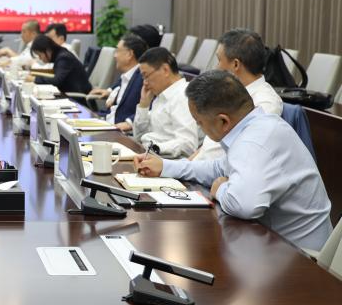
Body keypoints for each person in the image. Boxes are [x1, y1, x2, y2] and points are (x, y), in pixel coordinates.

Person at [134, 71, 331, 251]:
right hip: (273, 242)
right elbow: (218, 168)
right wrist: (165, 166)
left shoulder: (255, 141)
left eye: (199, 122)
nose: (200, 128)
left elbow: (244, 205)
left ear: (223, 121)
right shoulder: (256, 126)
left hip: (301, 257)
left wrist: (220, 189)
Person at [192, 28, 283, 160]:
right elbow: (208, 148)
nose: (216, 67)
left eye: (219, 60)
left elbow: (244, 155)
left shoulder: (265, 104)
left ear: (235, 64)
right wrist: (186, 163)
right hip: (201, 166)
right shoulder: (228, 91)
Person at [132, 47, 200, 158]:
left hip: (168, 160)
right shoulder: (161, 96)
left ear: (165, 70)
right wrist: (144, 105)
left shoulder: (183, 96)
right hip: (151, 155)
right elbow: (139, 137)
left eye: (146, 76)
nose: (145, 83)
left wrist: (155, 148)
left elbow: (188, 144)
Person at [88, 33, 147, 131]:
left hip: (119, 130)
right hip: (107, 121)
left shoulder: (143, 77)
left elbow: (152, 107)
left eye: (118, 51)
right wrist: (110, 91)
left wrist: (130, 123)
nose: (114, 56)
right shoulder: (127, 75)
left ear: (129, 54)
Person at [27, 34, 91, 94]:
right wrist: (34, 72)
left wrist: (34, 79)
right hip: (69, 93)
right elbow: (54, 73)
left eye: (40, 55)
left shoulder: (64, 58)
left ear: (47, 50)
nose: (40, 58)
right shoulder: (60, 54)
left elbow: (56, 80)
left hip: (76, 97)